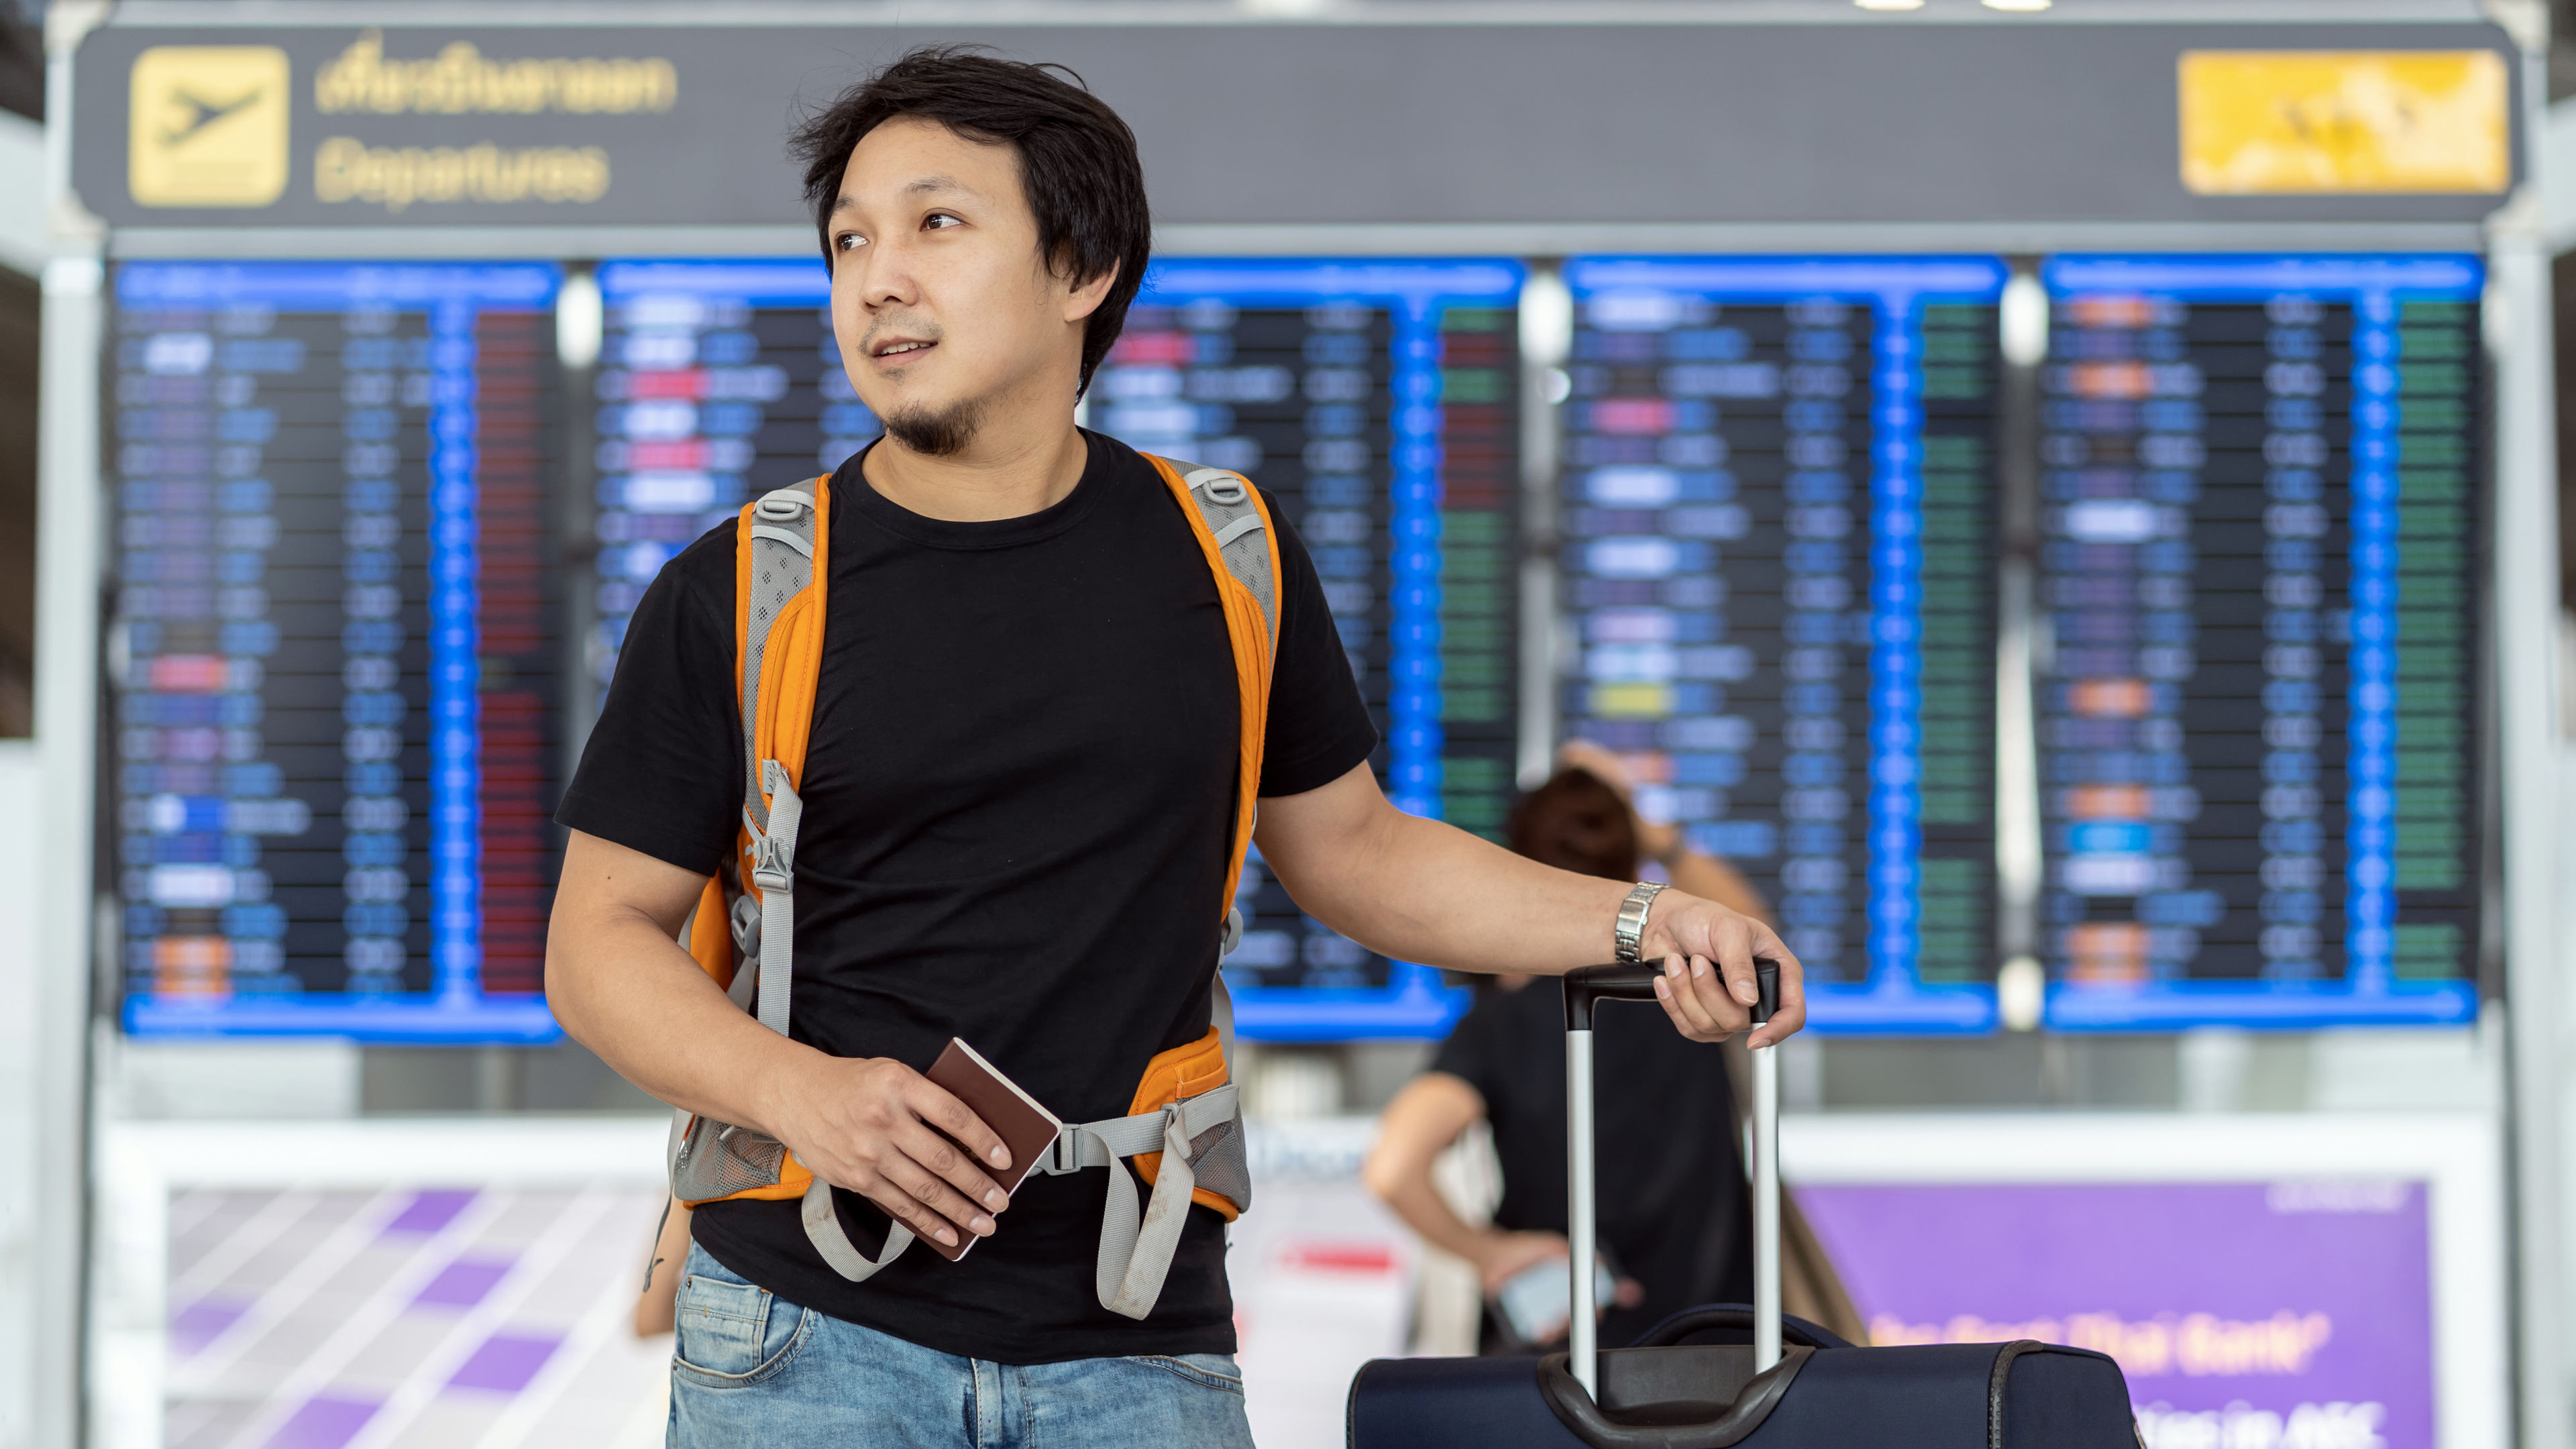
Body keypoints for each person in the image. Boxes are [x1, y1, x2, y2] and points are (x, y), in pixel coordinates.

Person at [544, 47, 1805, 1447]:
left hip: (1139, 1345)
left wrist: (1643, 921)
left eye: (936, 224)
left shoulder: (1228, 559)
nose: (877, 279)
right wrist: (804, 1097)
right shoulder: (740, 591)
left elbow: (1359, 855)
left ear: (1082, 269)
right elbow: (597, 946)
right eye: (849, 240)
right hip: (804, 1342)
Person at [1364, 744, 1864, 1352]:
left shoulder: (1498, 1025)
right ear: (1633, 864)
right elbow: (1752, 940)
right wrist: (1652, 832)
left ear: (1517, 869)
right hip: (1717, 1348)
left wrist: (1492, 1253)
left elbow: (1393, 1169)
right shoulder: (1690, 988)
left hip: (1565, 1358)